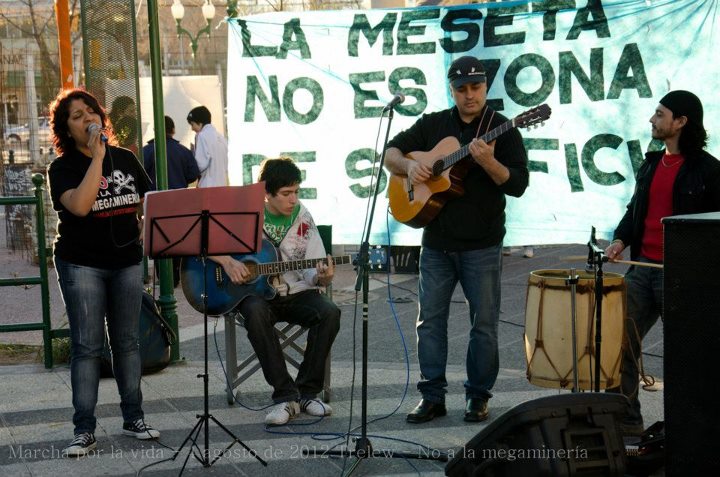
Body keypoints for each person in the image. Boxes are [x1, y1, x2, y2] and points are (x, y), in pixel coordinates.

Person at [384, 56, 529, 424]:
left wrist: (490, 162)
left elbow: (518, 185)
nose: (469, 95)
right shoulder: (434, 124)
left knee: (484, 323)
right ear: (452, 89)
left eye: (476, 88)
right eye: (462, 89)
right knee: (429, 321)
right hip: (436, 243)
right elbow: (390, 154)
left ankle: (477, 397)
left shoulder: (503, 128)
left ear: (485, 87)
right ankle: (431, 396)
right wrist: (410, 167)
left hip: (482, 244)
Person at [47, 88, 159, 458]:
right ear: (67, 130)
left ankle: (134, 417)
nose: (86, 119)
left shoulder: (126, 158)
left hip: (126, 261)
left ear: (100, 115)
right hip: (81, 264)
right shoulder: (61, 168)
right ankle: (84, 430)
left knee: (127, 341)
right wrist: (97, 158)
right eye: (76, 117)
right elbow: (79, 206)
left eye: (89, 111)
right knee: (87, 346)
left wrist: (145, 222)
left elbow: (149, 201)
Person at [605, 90, 720, 434]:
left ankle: (689, 431)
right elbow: (635, 209)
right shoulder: (652, 163)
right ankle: (626, 422)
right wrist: (619, 240)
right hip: (642, 268)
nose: (652, 120)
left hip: (683, 276)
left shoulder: (709, 170)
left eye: (659, 114)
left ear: (681, 122)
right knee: (617, 341)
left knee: (687, 355)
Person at [215, 157, 340, 426]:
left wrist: (321, 275)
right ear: (266, 193)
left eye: (296, 192)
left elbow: (313, 266)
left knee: (330, 312)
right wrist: (228, 261)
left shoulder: (303, 217)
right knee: (255, 312)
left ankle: (308, 393)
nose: (293, 199)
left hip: (296, 292)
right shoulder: (246, 214)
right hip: (257, 296)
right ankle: (285, 397)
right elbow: (205, 241)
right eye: (286, 193)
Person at [143, 115, 200, 286]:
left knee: (160, 239)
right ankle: (178, 275)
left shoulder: (147, 151)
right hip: (181, 202)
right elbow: (193, 174)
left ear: (155, 131)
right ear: (173, 130)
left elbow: (141, 176)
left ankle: (165, 279)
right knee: (180, 238)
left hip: (157, 202)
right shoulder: (183, 151)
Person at [186, 105, 228, 187]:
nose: (192, 128)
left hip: (208, 186)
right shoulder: (221, 137)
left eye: (192, 124)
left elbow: (200, 165)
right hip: (222, 184)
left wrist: (192, 157)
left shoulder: (202, 136)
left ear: (200, 123)